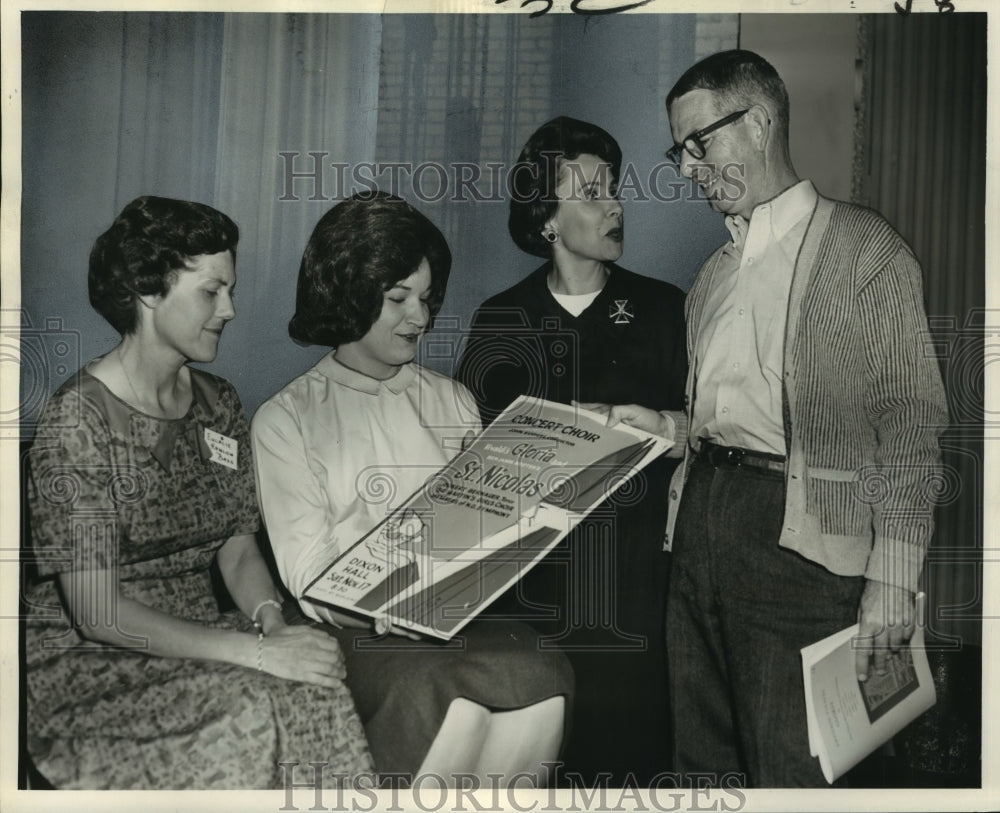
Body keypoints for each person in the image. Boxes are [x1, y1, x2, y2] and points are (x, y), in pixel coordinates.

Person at [599, 50, 949, 787]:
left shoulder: (865, 250)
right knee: (702, 767)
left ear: (756, 123)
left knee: (793, 769)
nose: (687, 167)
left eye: (699, 144)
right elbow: (727, 420)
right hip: (698, 528)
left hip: (803, 545)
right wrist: (662, 428)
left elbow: (912, 422)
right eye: (679, 151)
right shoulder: (713, 275)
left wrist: (892, 576)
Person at [23, 196, 372, 789]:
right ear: (147, 290)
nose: (230, 309)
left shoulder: (220, 404)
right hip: (95, 664)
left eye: (229, 290)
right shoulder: (76, 421)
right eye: (212, 292)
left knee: (316, 692)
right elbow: (96, 612)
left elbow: (238, 551)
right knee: (246, 711)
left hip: (203, 636)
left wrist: (271, 624)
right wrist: (255, 654)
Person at [251, 191, 573, 786]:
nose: (421, 317)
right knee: (447, 697)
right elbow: (306, 568)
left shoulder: (450, 399)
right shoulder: (285, 418)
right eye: (398, 298)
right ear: (348, 292)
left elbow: (485, 526)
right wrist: (383, 605)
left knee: (542, 671)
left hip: (451, 617)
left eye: (426, 299)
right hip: (349, 629)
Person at [454, 116, 687, 784]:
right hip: (533, 594)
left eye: (615, 188)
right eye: (590, 191)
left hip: (638, 591)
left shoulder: (664, 309)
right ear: (546, 219)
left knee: (632, 765)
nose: (613, 203)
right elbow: (472, 466)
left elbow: (709, 431)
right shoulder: (503, 320)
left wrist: (656, 424)